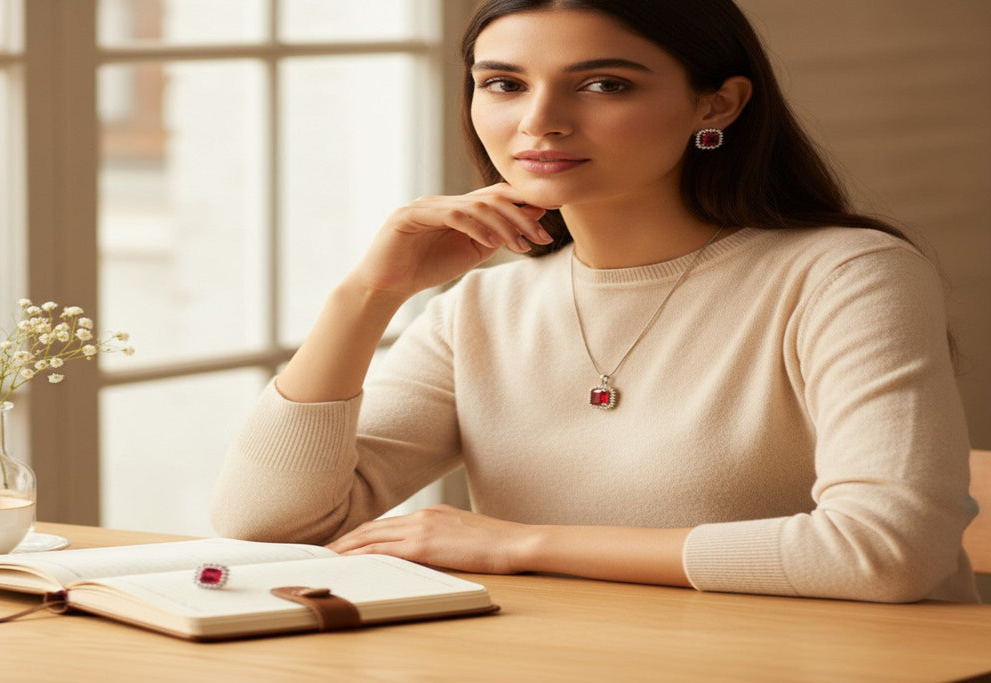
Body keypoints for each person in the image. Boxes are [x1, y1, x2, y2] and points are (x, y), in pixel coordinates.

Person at [211, 0, 978, 603]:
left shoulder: (846, 274)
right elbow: (268, 526)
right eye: (503, 83)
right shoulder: (482, 309)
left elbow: (888, 552)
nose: (539, 120)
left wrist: (516, 544)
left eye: (604, 83)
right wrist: (367, 294)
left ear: (718, 105)